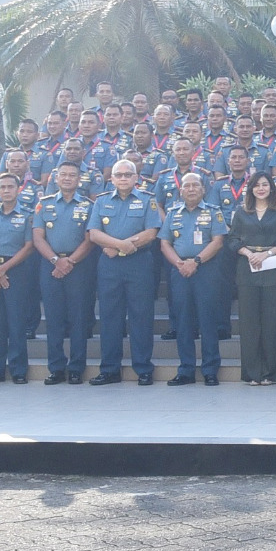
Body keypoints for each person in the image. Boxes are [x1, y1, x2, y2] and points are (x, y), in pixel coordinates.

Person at [88, 160, 163, 385]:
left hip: (139, 263)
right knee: (110, 317)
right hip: (110, 265)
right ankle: (110, 369)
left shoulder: (147, 200)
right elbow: (94, 233)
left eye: (127, 175)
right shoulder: (101, 201)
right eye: (118, 175)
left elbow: (151, 232)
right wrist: (120, 245)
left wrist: (120, 246)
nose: (123, 178)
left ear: (135, 178)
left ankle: (143, 369)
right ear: (111, 179)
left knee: (141, 316)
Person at [159, 172, 228, 386]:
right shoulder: (172, 214)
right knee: (183, 321)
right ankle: (186, 370)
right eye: (187, 186)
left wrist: (196, 262)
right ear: (180, 191)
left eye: (195, 185)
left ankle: (210, 370)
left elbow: (218, 241)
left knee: (208, 320)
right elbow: (165, 243)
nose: (191, 189)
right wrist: (179, 263)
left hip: (206, 270)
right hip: (180, 271)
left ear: (203, 189)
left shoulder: (214, 212)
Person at [32, 161, 96, 385]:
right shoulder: (44, 204)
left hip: (79, 266)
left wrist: (70, 261)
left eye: (72, 175)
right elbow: (38, 237)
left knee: (79, 318)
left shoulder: (88, 206)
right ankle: (56, 368)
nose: (67, 178)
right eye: (63, 175)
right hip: (50, 266)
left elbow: (90, 238)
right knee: (54, 319)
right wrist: (56, 261)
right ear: (56, 178)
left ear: (79, 180)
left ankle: (77, 367)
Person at [228, 172, 276, 385]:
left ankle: (271, 372)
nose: (261, 188)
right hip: (247, 269)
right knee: (249, 324)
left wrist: (266, 254)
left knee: (273, 323)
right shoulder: (241, 211)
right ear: (250, 189)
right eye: (256, 185)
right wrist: (249, 253)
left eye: (265, 184)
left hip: (273, 270)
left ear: (271, 188)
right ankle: (252, 373)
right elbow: (232, 239)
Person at [0, 173, 38, 384]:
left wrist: (4, 268)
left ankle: (18, 370)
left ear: (18, 189)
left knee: (17, 322)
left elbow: (29, 246)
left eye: (10, 187)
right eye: (2, 187)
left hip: (16, 270)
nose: (6, 190)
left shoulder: (28, 216)